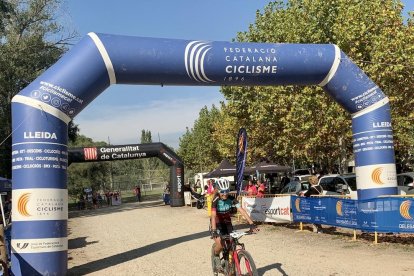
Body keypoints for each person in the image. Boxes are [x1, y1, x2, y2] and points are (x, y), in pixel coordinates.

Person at [210, 178, 259, 271]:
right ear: (219, 191)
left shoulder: (232, 199)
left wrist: (252, 224)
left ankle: (228, 263)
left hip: (227, 223)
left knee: (232, 246)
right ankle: (216, 255)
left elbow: (242, 211)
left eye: (227, 191)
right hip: (217, 223)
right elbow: (213, 216)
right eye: (222, 191)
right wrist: (213, 230)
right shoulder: (215, 200)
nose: (225, 194)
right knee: (220, 243)